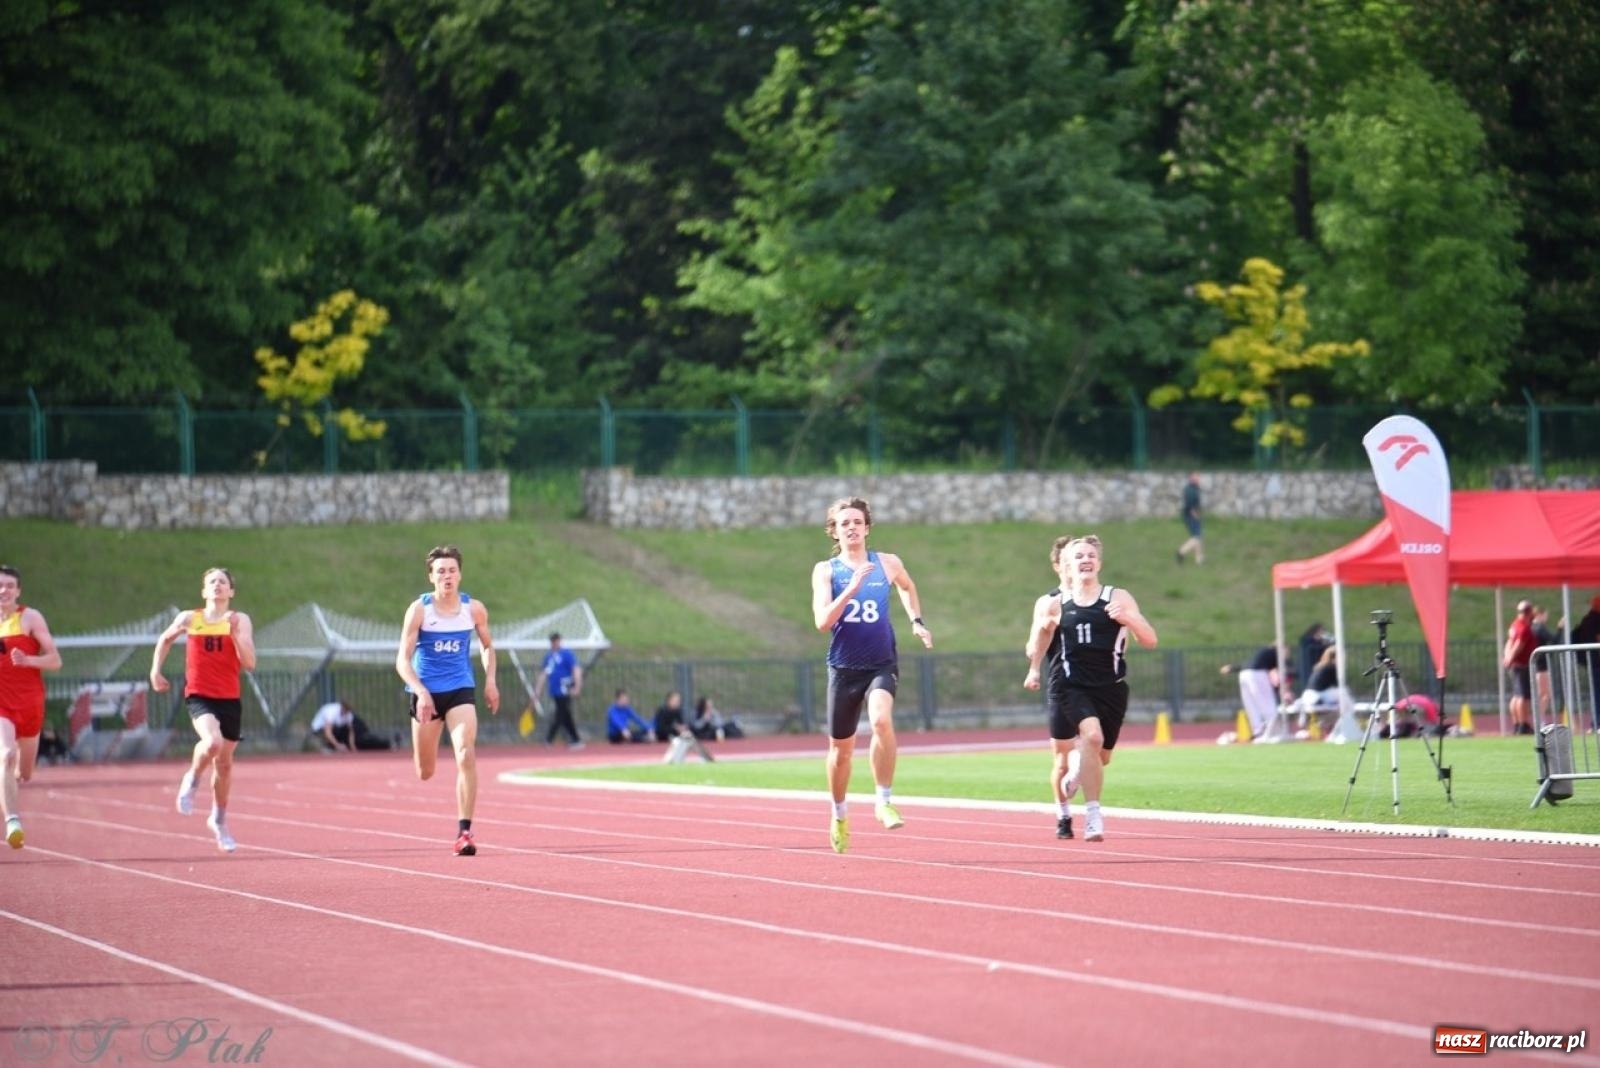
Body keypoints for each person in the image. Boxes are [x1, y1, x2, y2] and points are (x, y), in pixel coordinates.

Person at [811, 495, 932, 854]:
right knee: (840, 752)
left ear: (867, 528)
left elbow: (908, 587)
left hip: (881, 662)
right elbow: (822, 622)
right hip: (844, 668)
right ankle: (839, 815)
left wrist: (916, 621)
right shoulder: (826, 570)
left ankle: (884, 800)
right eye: (844, 523)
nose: (851, 528)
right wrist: (851, 588)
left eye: (857, 522)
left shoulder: (888, 563)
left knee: (881, 720)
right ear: (834, 531)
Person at [1024, 535, 1157, 841]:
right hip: (1070, 685)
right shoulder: (1054, 604)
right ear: (1066, 566)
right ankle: (1092, 815)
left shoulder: (1118, 597)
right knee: (1091, 737)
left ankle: (1077, 772)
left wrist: (1128, 619)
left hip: (1111, 688)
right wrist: (1034, 666)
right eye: (1078, 556)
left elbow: (1150, 640)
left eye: (1091, 555)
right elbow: (1040, 636)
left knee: (1101, 756)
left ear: (1099, 562)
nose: (1086, 560)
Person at [394, 545, 500, 856]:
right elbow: (402, 660)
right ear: (431, 577)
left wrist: (490, 680)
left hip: (460, 689)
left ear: (460, 575)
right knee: (425, 771)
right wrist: (420, 691)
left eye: (452, 570)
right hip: (426, 694)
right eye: (440, 571)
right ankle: (427, 754)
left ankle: (464, 833)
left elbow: (487, 646)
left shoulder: (473, 609)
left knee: (466, 753)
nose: (447, 576)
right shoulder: (419, 611)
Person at [150, 567, 255, 853]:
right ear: (204, 591)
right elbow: (165, 639)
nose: (217, 585)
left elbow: (249, 663)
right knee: (212, 742)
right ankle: (193, 777)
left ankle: (218, 820)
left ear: (231, 591)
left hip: (229, 698)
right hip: (200, 695)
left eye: (223, 581)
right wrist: (155, 671)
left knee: (224, 764)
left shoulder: (239, 620)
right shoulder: (189, 618)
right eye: (212, 582)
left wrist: (235, 635)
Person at [0, 565, 63, 850]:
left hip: (29, 704)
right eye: (0, 585)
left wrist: (28, 661)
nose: (3, 590)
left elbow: (55, 660)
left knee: (24, 773)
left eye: (9, 586)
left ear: (18, 591)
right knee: (5, 754)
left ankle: (8, 784)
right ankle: (13, 821)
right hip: (2, 705)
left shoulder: (29, 618)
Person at [1219, 645, 1283, 742]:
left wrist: (1232, 668)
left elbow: (1248, 664)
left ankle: (1258, 730)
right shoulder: (1275, 654)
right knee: (1267, 704)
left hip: (1244, 674)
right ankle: (1271, 731)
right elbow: (1277, 670)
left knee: (1251, 704)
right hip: (1257, 674)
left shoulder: (1261, 654)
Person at [535, 631, 584, 750]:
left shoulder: (566, 654)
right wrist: (537, 691)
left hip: (565, 689)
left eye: (556, 640)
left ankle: (549, 739)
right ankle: (576, 740)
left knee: (560, 714)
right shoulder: (548, 657)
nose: (554, 643)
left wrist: (577, 686)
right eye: (552, 641)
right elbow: (543, 675)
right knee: (565, 715)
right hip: (555, 690)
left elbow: (576, 669)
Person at [1502, 600, 1537, 735]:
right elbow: (1518, 645)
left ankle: (1517, 724)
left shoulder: (1515, 625)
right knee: (1523, 695)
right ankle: (1523, 724)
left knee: (1516, 695)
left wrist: (1507, 657)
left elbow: (1509, 642)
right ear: (1529, 612)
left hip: (1514, 664)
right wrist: (1511, 657)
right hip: (1522, 664)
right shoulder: (1524, 627)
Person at [309, 699, 391, 752]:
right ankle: (329, 746)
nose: (346, 713)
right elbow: (328, 732)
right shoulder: (332, 711)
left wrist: (353, 747)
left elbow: (351, 732)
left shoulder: (348, 714)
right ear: (342, 707)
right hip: (319, 731)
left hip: (336, 730)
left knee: (356, 738)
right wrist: (337, 745)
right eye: (345, 710)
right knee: (335, 730)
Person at [1570, 595, 1600, 727]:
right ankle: (1597, 722)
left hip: (1591, 660)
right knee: (1597, 692)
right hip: (1597, 660)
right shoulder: (1596, 619)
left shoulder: (1586, 619)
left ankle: (1596, 721)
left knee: (1596, 691)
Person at [1531, 605, 1558, 725]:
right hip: (1541, 665)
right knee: (1545, 694)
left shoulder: (1533, 627)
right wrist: (1560, 629)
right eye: (1545, 615)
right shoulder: (1539, 628)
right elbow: (1553, 640)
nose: (1546, 618)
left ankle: (1539, 719)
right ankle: (1539, 720)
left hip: (1538, 664)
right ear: (1540, 615)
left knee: (1542, 694)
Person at [1175, 472, 1204, 565]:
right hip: (1191, 516)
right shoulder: (1190, 490)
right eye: (1195, 477)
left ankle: (1199, 560)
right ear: (1190, 478)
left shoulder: (1194, 488)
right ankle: (1181, 552)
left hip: (1192, 515)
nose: (1198, 478)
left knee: (1197, 537)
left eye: (1198, 477)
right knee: (1196, 537)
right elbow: (1190, 504)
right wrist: (1195, 515)